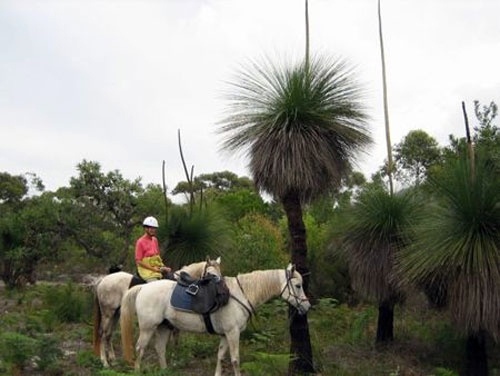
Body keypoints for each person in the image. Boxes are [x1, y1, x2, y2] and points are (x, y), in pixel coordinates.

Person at [135, 216, 171, 282]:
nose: (153, 230)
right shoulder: (140, 242)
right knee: (155, 284)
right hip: (145, 270)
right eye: (150, 228)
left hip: (156, 268)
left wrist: (163, 267)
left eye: (154, 228)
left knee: (172, 278)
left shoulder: (155, 240)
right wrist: (153, 269)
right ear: (145, 228)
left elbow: (157, 258)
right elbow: (138, 261)